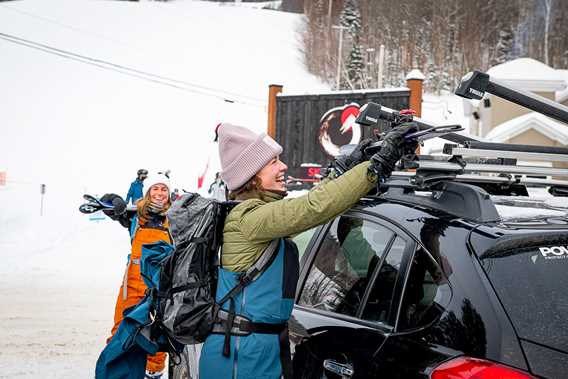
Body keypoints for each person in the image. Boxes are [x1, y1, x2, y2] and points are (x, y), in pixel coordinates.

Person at [198, 122, 417, 379]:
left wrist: (343, 169)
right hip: (238, 355)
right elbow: (311, 208)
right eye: (273, 162)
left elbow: (310, 203)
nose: (283, 166)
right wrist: (374, 169)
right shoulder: (248, 218)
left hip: (254, 348)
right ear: (252, 175)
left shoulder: (261, 216)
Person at [101, 172, 172, 379]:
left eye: (164, 189)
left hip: (160, 284)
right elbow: (105, 203)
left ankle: (153, 373)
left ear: (169, 194)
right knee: (121, 328)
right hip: (133, 282)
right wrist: (115, 201)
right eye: (155, 189)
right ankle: (117, 371)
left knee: (157, 333)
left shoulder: (174, 217)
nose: (159, 193)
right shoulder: (135, 215)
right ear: (148, 192)